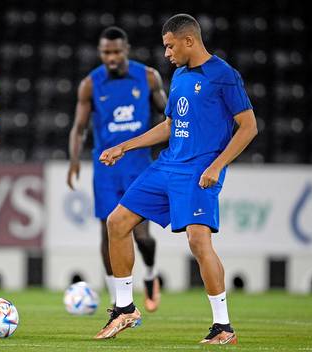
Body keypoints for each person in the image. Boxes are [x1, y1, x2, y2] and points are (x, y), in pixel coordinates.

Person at [94, 14, 257, 344]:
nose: (166, 53)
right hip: (167, 166)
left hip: (199, 170)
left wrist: (217, 166)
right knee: (117, 221)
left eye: (170, 46)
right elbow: (169, 125)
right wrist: (124, 146)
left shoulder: (224, 76)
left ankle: (223, 327)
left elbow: (249, 126)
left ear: (189, 41)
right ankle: (125, 308)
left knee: (198, 241)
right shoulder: (180, 76)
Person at [67, 26, 167, 312]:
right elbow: (79, 128)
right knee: (107, 233)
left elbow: (169, 114)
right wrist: (74, 160)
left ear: (126, 50)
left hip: (140, 167)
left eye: (116, 52)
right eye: (105, 52)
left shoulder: (148, 77)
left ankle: (150, 274)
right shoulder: (90, 84)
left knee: (143, 236)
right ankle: (117, 300)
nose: (110, 57)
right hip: (107, 170)